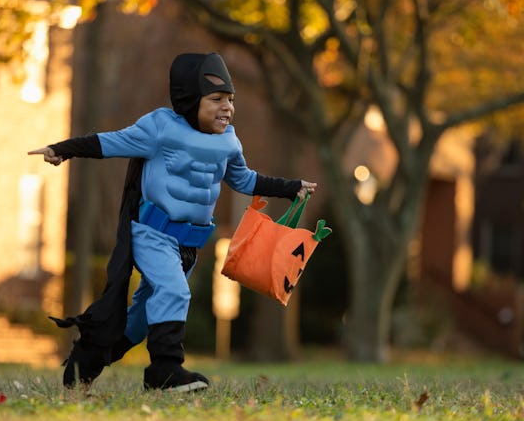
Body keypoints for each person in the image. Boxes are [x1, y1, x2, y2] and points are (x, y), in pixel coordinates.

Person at [29, 52, 316, 392]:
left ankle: (81, 368)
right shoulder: (160, 128)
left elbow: (245, 181)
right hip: (153, 234)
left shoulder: (229, 142)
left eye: (230, 100)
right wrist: (62, 149)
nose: (227, 107)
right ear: (190, 100)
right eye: (216, 99)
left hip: (189, 245)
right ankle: (164, 371)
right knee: (174, 291)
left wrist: (290, 187)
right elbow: (111, 142)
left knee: (138, 323)